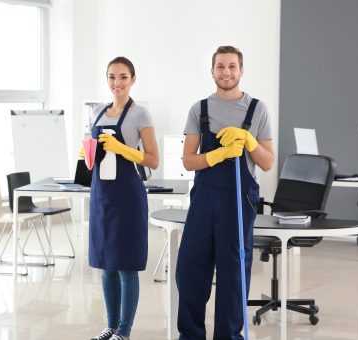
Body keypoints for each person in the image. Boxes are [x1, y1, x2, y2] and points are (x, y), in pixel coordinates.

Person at [176, 46, 275, 339]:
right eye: (220, 67)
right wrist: (216, 156)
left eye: (232, 66)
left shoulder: (258, 110)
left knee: (233, 277)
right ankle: (190, 335)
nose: (226, 72)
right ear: (212, 71)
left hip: (238, 200)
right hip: (204, 200)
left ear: (241, 71)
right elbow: (187, 160)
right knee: (190, 271)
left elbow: (268, 162)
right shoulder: (199, 109)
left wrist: (248, 141)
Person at [88, 57, 159, 340]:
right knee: (106, 265)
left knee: (126, 267)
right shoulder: (96, 111)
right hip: (101, 197)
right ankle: (111, 327)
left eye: (123, 77)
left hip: (128, 197)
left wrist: (122, 148)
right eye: (112, 77)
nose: (117, 83)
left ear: (133, 79)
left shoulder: (140, 114)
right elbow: (93, 155)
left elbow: (153, 160)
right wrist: (87, 155)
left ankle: (125, 332)